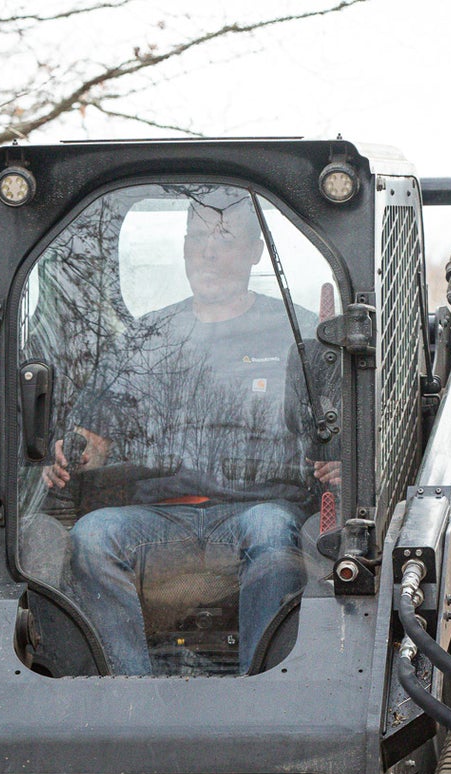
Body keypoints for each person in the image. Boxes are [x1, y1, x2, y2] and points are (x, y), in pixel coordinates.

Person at [41, 188, 340, 675]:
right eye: (197, 237)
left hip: (258, 509)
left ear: (255, 251)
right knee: (93, 535)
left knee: (271, 528)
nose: (208, 251)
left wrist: (341, 460)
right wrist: (70, 455)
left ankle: (261, 688)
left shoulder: (299, 336)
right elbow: (94, 436)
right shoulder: (146, 341)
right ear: (183, 248)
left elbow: (336, 430)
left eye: (225, 237)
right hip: (160, 519)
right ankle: (129, 693)